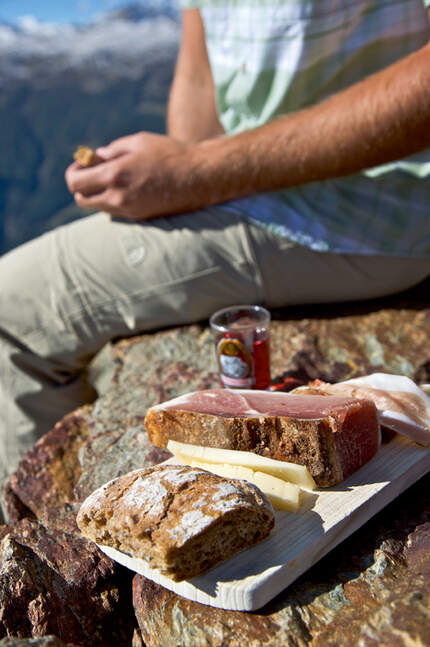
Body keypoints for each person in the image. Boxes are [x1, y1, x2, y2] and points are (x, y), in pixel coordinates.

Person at [1, 0, 430, 503]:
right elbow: (202, 69)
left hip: (367, 207)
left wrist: (199, 171)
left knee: (14, 309)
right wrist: (173, 186)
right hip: (254, 190)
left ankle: (52, 551)